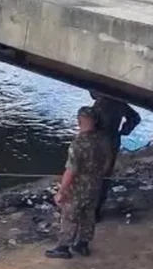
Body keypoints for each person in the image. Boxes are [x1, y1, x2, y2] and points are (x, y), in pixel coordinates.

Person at [47, 106, 113, 259]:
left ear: (79, 121)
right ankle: (83, 245)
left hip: (78, 187)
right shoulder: (103, 140)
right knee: (89, 214)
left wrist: (61, 191)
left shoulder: (78, 144)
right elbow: (108, 161)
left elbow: (71, 171)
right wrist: (98, 175)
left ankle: (63, 247)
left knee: (70, 215)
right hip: (95, 185)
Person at [90, 91, 141, 220]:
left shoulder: (100, 105)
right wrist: (124, 131)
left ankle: (92, 210)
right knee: (104, 176)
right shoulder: (120, 102)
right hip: (112, 141)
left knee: (93, 175)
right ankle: (96, 210)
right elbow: (135, 118)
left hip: (98, 142)